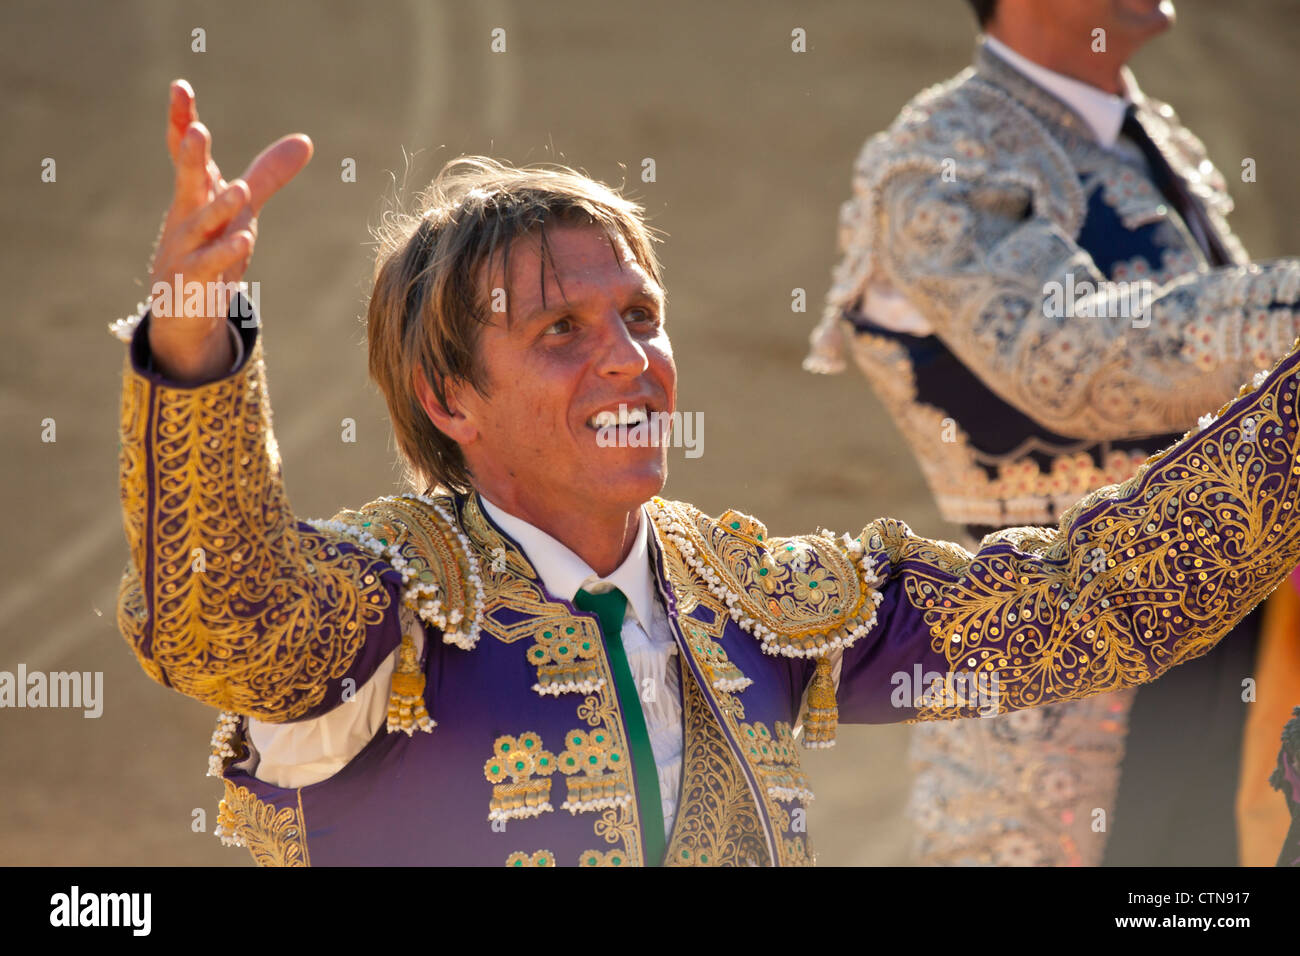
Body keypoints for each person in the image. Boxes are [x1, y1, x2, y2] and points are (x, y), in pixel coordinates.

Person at [114, 79, 1300, 867]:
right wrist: (190, 347)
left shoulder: (753, 598)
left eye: (641, 314)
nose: (631, 362)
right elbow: (222, 619)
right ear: (447, 399)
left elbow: (1085, 605)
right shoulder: (391, 605)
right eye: (561, 331)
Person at [805, 0, 1300, 865]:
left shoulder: (1142, 136)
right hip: (1052, 663)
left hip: (1223, 643)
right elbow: (1069, 361)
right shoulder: (943, 152)